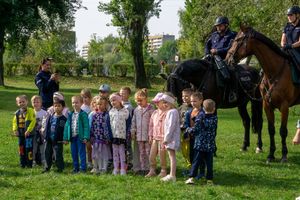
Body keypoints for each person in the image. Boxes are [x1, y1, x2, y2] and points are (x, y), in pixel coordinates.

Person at [185, 99, 217, 185]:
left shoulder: (200, 118)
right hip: (210, 145)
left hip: (199, 145)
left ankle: (191, 178)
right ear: (214, 109)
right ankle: (209, 179)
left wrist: (188, 129)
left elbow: (195, 130)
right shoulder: (215, 118)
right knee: (209, 163)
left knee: (196, 161)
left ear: (203, 108)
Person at [205, 16, 237, 101]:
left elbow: (230, 48)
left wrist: (217, 51)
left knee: (227, 73)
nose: (218, 27)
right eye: (217, 26)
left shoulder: (232, 35)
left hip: (226, 59)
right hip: (211, 58)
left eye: (220, 25)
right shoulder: (214, 35)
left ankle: (231, 92)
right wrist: (207, 53)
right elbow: (207, 45)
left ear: (226, 25)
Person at [63, 96, 90, 173]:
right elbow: (67, 126)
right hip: (72, 137)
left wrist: (85, 137)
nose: (75, 104)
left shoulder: (83, 114)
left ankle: (83, 168)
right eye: (73, 102)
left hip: (80, 137)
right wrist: (65, 138)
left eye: (77, 102)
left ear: (81, 103)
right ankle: (75, 167)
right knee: (74, 153)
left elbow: (86, 126)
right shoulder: (70, 114)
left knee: (82, 153)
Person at [131, 89, 154, 175]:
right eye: (137, 101)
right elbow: (134, 121)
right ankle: (142, 168)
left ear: (146, 99)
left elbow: (153, 123)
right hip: (139, 136)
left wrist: (152, 134)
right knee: (141, 152)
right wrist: (133, 131)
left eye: (141, 100)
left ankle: (150, 168)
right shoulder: (136, 110)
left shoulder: (151, 109)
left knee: (149, 152)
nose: (139, 102)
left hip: (148, 135)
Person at [145, 92, 167, 178]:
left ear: (164, 102)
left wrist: (166, 137)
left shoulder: (167, 113)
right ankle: (152, 170)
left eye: (158, 102)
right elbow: (151, 125)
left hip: (163, 138)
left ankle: (163, 170)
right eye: (155, 102)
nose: (156, 103)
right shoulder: (155, 113)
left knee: (162, 155)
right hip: (155, 137)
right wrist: (150, 135)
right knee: (152, 155)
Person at [42, 99, 67, 173]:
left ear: (63, 107)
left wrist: (65, 139)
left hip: (58, 140)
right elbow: (47, 126)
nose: (57, 108)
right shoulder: (51, 116)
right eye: (55, 106)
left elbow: (65, 130)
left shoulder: (64, 119)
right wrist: (45, 137)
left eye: (59, 106)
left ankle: (60, 168)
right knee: (47, 153)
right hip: (49, 139)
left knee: (58, 155)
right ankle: (47, 167)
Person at [160, 93, 181, 182]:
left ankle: (172, 175)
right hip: (170, 137)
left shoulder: (172, 112)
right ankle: (172, 174)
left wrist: (166, 138)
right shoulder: (171, 112)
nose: (165, 104)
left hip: (171, 138)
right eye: (164, 102)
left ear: (172, 103)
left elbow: (171, 126)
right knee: (171, 155)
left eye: (167, 102)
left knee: (172, 156)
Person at [90, 97, 112, 174]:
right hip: (96, 139)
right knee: (96, 154)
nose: (99, 106)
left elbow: (108, 127)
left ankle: (104, 168)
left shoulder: (107, 115)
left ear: (105, 105)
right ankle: (96, 167)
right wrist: (91, 136)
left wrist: (108, 138)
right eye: (98, 104)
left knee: (104, 154)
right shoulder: (94, 115)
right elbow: (92, 126)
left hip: (104, 139)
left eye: (101, 104)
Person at [12, 95, 36, 168]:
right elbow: (14, 122)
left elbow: (33, 121)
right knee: (21, 149)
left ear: (27, 102)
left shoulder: (31, 110)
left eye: (23, 101)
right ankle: (22, 164)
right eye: (20, 102)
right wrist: (15, 130)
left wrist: (28, 130)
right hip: (21, 135)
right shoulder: (17, 113)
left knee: (29, 149)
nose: (22, 103)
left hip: (28, 135)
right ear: (17, 103)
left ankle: (29, 164)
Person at [109, 93, 130, 175]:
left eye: (114, 100)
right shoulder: (111, 111)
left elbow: (128, 123)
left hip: (122, 136)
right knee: (115, 153)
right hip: (114, 136)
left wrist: (128, 134)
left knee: (122, 153)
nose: (112, 102)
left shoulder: (125, 111)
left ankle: (123, 169)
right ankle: (116, 168)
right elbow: (109, 123)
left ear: (119, 100)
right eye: (111, 101)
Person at [178, 88, 193, 174]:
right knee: (184, 151)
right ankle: (189, 166)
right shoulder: (181, 107)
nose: (184, 98)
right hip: (182, 131)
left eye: (187, 96)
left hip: (190, 132)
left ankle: (192, 168)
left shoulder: (193, 107)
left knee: (189, 150)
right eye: (183, 96)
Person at [120, 86, 135, 171]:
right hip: (119, 130)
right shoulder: (119, 103)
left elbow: (127, 119)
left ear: (128, 95)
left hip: (126, 129)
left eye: (124, 93)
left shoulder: (128, 106)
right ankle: (123, 161)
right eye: (121, 93)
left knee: (127, 146)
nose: (122, 95)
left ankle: (130, 162)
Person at [31, 95, 48, 166]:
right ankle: (33, 160)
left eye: (37, 102)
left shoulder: (44, 113)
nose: (36, 104)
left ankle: (44, 160)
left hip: (42, 134)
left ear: (41, 103)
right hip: (33, 133)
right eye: (34, 102)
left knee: (43, 147)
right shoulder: (31, 112)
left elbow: (46, 123)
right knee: (33, 147)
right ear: (32, 104)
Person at [80, 88, 93, 169]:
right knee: (85, 146)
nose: (84, 99)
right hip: (85, 131)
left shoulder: (92, 106)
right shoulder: (82, 107)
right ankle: (86, 161)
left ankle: (91, 161)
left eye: (86, 97)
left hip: (92, 130)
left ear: (90, 98)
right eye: (83, 97)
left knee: (91, 147)